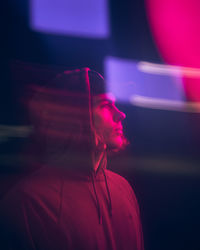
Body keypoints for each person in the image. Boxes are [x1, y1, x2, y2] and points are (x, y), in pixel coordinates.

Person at [0, 68, 144, 250]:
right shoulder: (27, 203)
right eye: (105, 106)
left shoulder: (123, 188)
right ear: (76, 117)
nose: (120, 114)